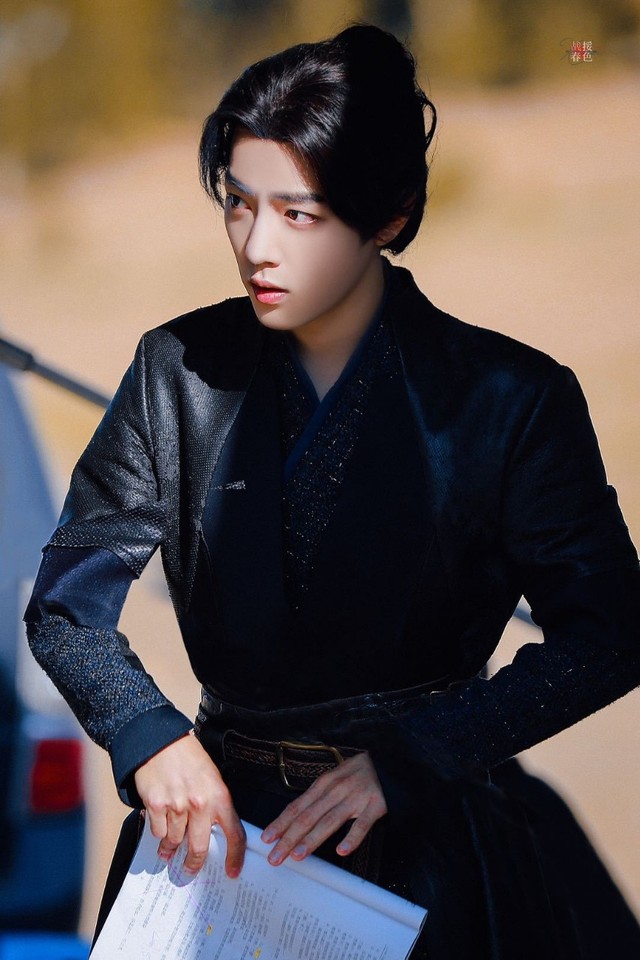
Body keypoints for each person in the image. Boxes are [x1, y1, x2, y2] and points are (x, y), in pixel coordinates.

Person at [24, 23, 640, 959]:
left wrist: (421, 754)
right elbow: (67, 605)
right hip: (215, 841)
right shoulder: (177, 369)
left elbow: (611, 630)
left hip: (429, 842)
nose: (257, 247)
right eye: (238, 205)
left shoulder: (511, 397)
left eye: (299, 214)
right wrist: (147, 735)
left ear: (388, 215)